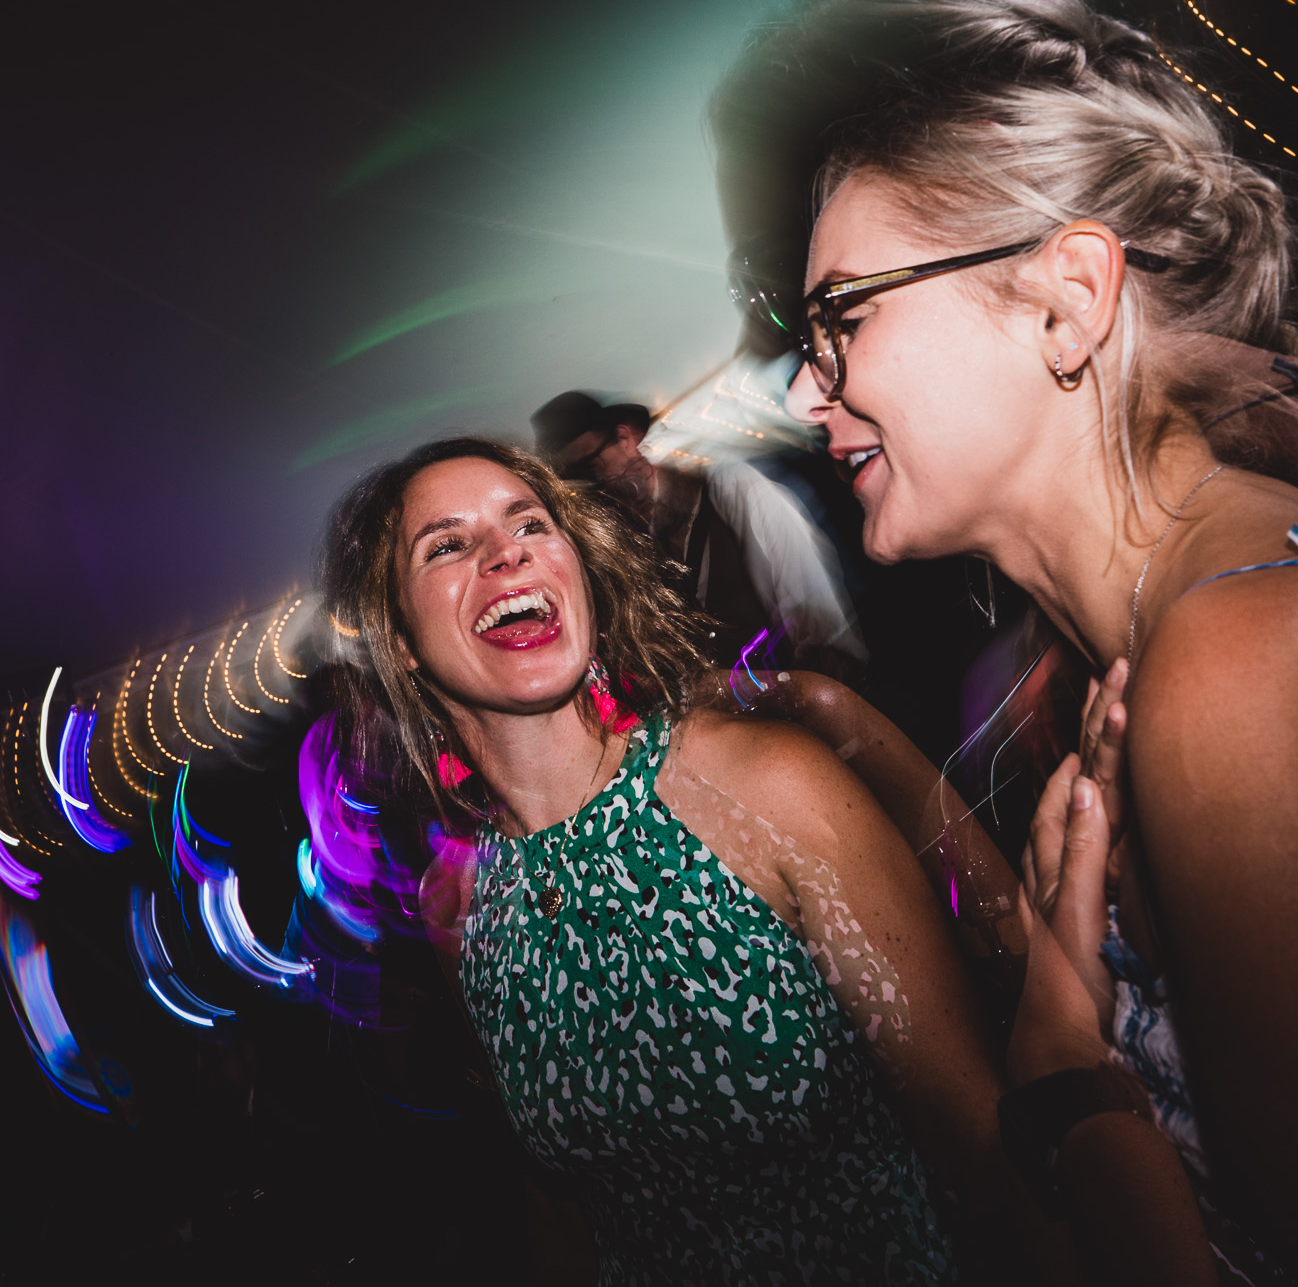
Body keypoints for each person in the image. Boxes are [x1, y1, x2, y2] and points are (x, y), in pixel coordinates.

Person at [762, 0, 1298, 1280]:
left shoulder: (1252, 681)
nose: (811, 395)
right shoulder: (1143, 665)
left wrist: (1070, 1088)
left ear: (1066, 298)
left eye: (844, 320)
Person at [319, 436, 1060, 1283]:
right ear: (401, 639)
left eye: (528, 522)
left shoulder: (761, 787)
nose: (505, 550)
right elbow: (560, 1207)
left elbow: (983, 1143)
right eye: (446, 545)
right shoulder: (460, 903)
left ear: (576, 568)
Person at [531, 390, 863, 674]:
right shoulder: (631, 545)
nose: (595, 486)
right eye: (577, 480)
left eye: (591, 465)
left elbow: (819, 617)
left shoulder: (737, 490)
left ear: (625, 439)